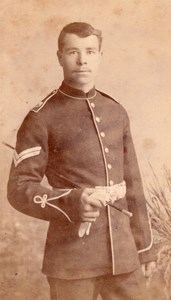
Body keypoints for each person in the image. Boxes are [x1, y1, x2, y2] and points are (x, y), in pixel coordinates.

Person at [7, 22, 156, 300]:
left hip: (123, 256)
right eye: (73, 52)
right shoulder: (41, 117)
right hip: (71, 259)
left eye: (90, 51)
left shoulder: (116, 112)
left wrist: (144, 248)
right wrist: (72, 202)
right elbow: (19, 188)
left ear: (100, 55)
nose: (82, 59)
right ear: (60, 57)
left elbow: (133, 185)